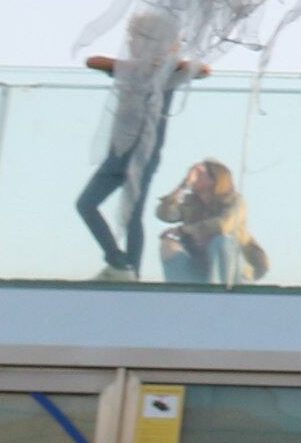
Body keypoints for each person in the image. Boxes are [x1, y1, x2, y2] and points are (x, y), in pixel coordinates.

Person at [70, 14, 207, 278]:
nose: (132, 42)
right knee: (86, 204)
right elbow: (93, 61)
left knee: (133, 214)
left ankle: (134, 272)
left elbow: (202, 70)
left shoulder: (169, 74)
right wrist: (137, 67)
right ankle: (119, 261)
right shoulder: (130, 69)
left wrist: (165, 65)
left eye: (137, 38)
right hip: (118, 152)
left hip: (144, 154)